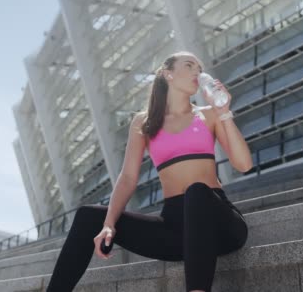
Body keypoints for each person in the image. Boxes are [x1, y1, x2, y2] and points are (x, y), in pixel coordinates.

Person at [46, 51, 253, 292]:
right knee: (87, 215)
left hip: (218, 222)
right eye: (189, 65)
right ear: (168, 74)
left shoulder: (209, 114)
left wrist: (223, 112)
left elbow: (244, 165)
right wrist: (109, 224)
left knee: (196, 191)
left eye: (200, 67)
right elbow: (128, 177)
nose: (197, 71)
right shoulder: (143, 123)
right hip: (175, 229)